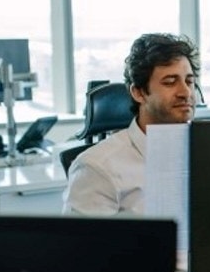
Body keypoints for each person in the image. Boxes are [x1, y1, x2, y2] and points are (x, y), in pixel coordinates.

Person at [63, 33, 199, 215]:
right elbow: (84, 243)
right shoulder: (97, 167)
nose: (185, 92)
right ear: (138, 93)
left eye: (189, 81)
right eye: (170, 82)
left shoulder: (207, 153)